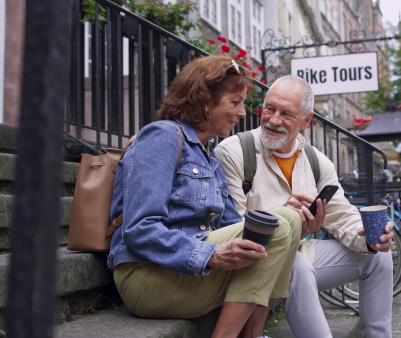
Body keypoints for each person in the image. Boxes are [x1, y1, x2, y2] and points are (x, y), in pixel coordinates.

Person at [108, 56, 301, 338]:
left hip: (187, 273)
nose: (242, 113)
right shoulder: (161, 137)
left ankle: (253, 334)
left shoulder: (209, 155)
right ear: (205, 101)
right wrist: (210, 253)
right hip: (147, 276)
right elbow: (140, 228)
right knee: (279, 228)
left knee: (289, 219)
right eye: (235, 102)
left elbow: (234, 225)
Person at [215, 75, 394, 337]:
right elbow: (230, 229)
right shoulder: (234, 151)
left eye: (287, 114)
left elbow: (343, 216)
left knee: (379, 256)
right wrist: (285, 220)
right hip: (253, 264)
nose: (274, 120)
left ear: (307, 121)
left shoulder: (317, 162)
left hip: (303, 256)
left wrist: (371, 238)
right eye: (270, 109)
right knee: (294, 262)